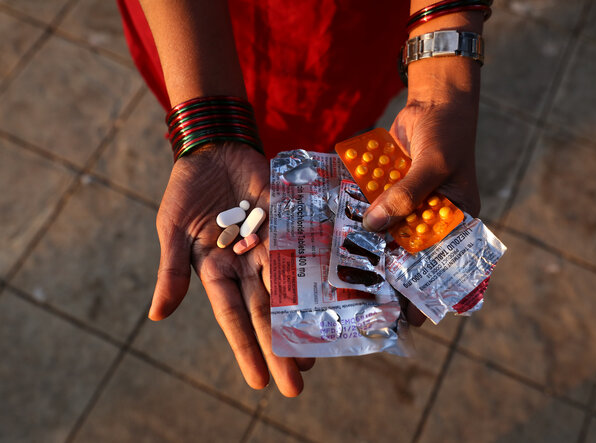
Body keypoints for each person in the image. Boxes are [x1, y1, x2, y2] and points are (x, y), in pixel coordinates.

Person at [118, 0, 485, 397]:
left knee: (339, 122)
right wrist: (210, 123)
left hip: (339, 31)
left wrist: (440, 87)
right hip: (192, 32)